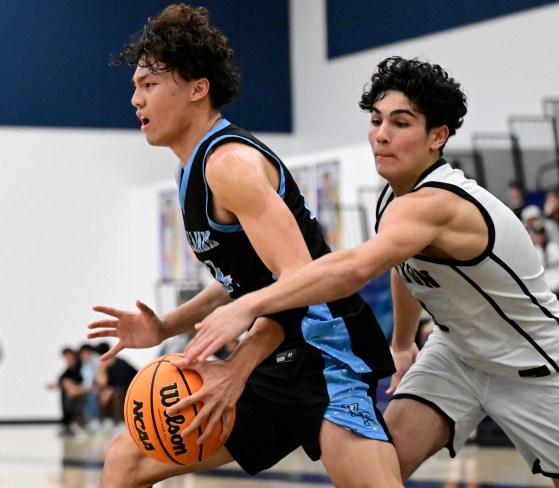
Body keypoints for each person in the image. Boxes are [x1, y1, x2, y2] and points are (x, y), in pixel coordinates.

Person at [187, 56, 559, 486]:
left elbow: (358, 267)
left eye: (400, 123)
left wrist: (251, 305)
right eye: (376, 121)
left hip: (533, 367)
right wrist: (401, 344)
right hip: (456, 358)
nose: (381, 135)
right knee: (376, 476)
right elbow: (403, 267)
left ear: (438, 136)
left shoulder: (438, 203)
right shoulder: (393, 200)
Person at [86, 4, 400, 488]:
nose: (135, 100)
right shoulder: (187, 170)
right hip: (270, 350)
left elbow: (299, 282)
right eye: (135, 87)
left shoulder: (229, 164)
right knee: (126, 459)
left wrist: (237, 366)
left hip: (323, 350)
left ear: (197, 87)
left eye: (148, 85)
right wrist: (165, 325)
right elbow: (241, 280)